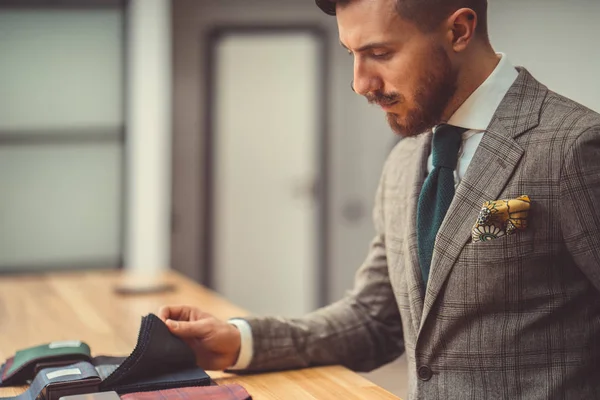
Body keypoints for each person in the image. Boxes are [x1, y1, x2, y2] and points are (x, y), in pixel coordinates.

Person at [159, 0, 600, 398]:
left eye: (380, 53)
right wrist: (241, 341)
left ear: (460, 31)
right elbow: (375, 319)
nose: (360, 83)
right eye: (351, 54)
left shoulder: (574, 146)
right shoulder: (405, 160)